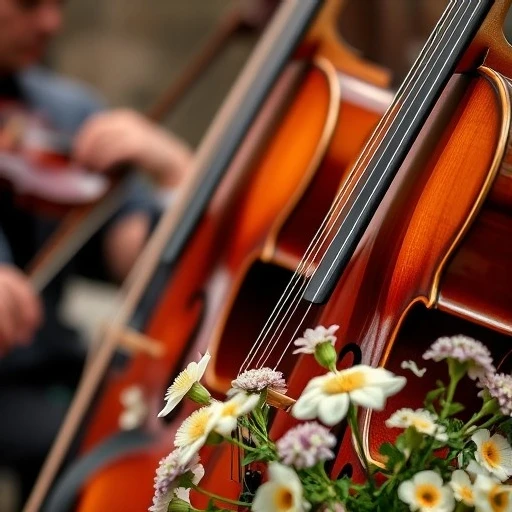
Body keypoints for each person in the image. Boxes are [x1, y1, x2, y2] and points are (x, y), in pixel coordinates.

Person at [0, 0, 193, 507]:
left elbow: (133, 258)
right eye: (27, 4)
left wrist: (174, 171)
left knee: (134, 434)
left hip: (35, 376)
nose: (51, 22)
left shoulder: (68, 113)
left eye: (58, 4)